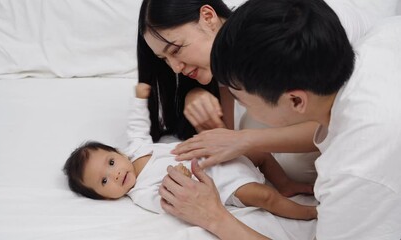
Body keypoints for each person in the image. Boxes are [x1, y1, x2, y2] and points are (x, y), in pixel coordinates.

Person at [160, 0, 401, 239]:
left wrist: (213, 217)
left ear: (295, 101)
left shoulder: (354, 168)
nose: (242, 107)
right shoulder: (384, 35)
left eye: (242, 100)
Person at [62, 83, 317, 222]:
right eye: (104, 181)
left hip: (220, 155)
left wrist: (139, 100)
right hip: (224, 183)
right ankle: (306, 213)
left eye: (110, 162)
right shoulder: (141, 194)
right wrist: (179, 178)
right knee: (264, 197)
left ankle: (285, 183)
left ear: (117, 152)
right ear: (105, 198)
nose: (115, 174)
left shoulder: (137, 147)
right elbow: (168, 203)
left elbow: (137, 125)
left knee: (261, 153)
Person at [137, 0, 321, 185]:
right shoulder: (223, 67)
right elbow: (224, 140)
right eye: (164, 59)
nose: (175, 68)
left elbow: (333, 126)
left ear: (208, 17)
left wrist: (245, 140)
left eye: (175, 50)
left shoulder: (277, 40)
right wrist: (195, 95)